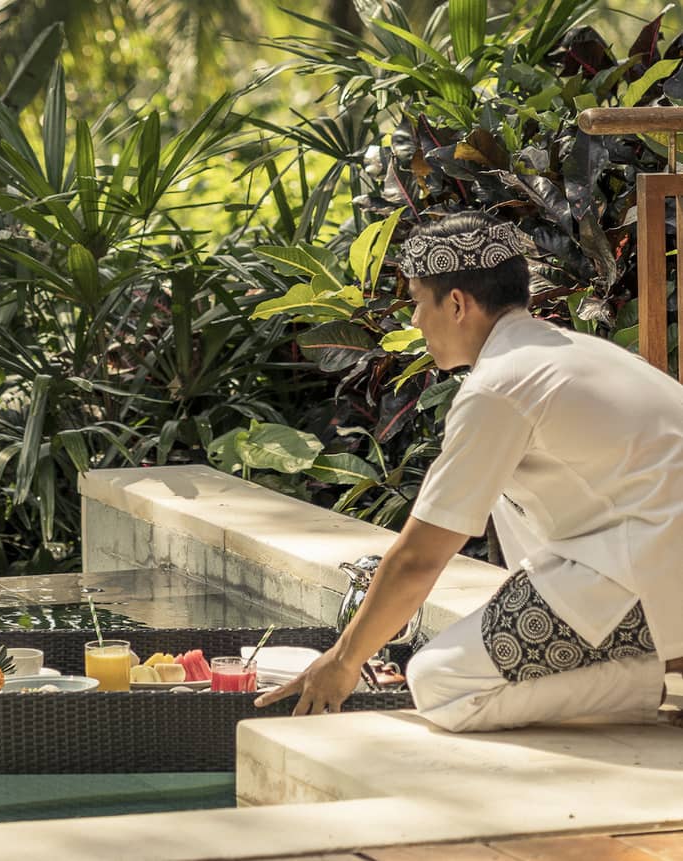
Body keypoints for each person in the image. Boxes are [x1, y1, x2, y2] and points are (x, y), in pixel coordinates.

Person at [256, 211, 683, 731]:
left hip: (653, 571)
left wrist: (344, 661)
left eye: (418, 303)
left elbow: (420, 558)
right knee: (502, 494)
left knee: (441, 681)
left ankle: (650, 680)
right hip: (652, 554)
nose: (414, 322)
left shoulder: (500, 385)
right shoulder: (571, 352)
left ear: (456, 303)